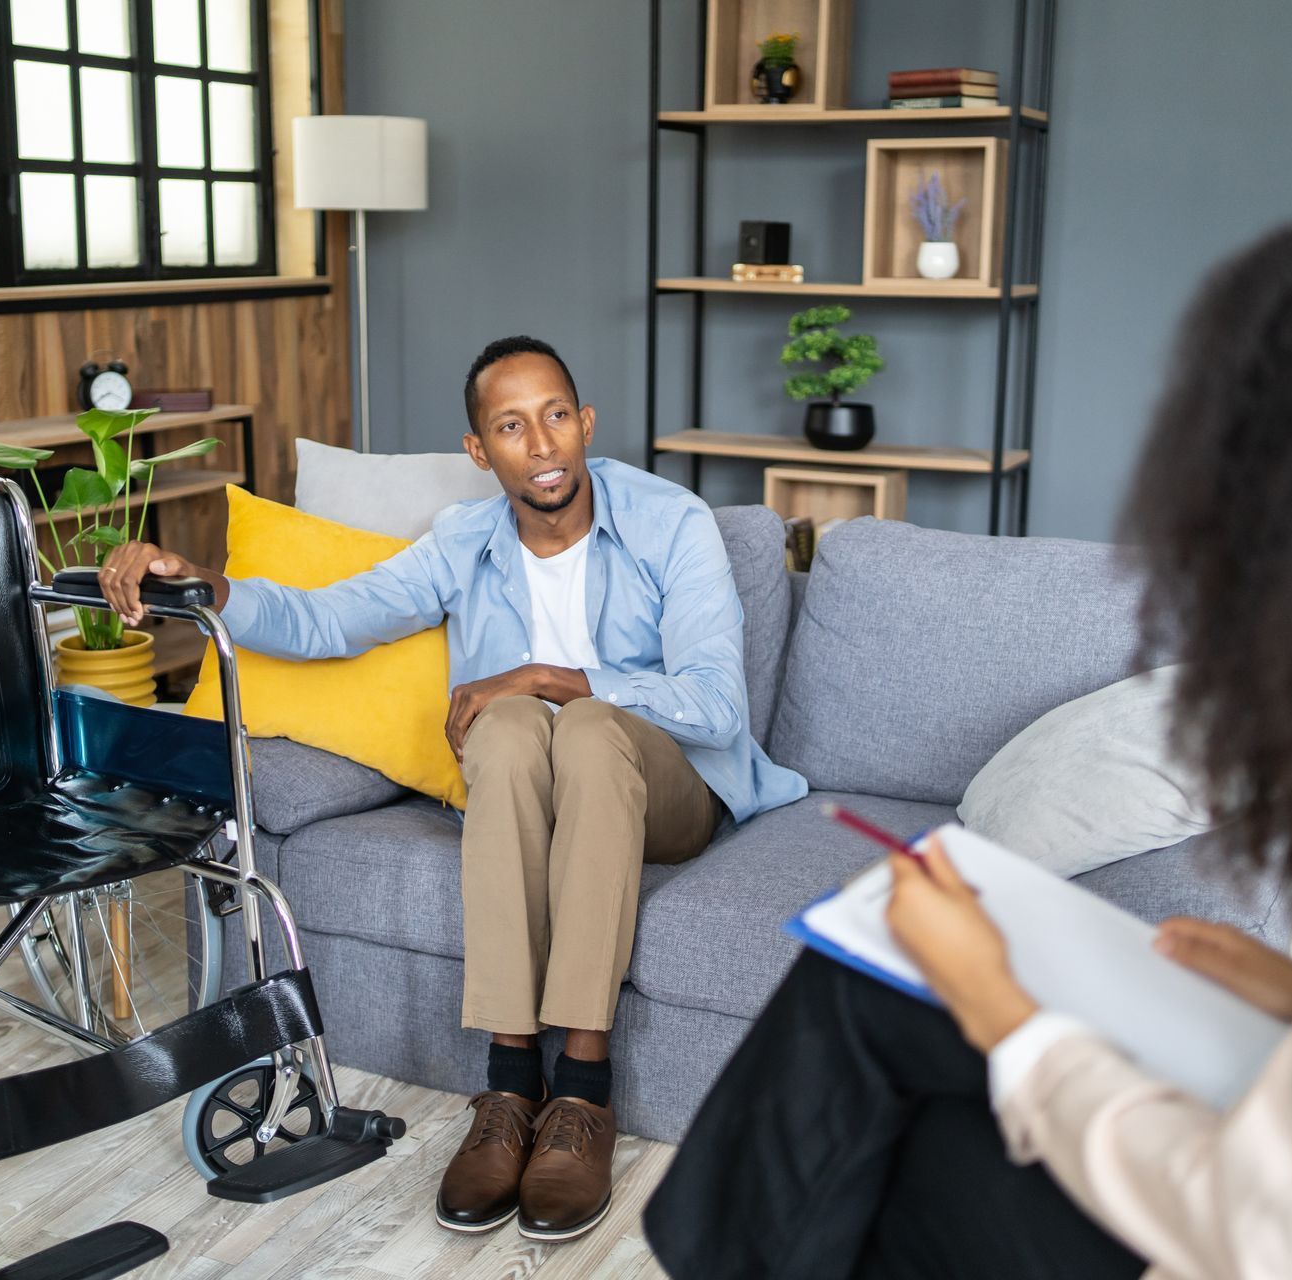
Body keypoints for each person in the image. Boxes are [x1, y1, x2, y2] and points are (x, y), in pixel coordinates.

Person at [643, 161, 1292, 1278]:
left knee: (893, 1073)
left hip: (1274, 1237)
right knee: (870, 983)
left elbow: (1269, 1231)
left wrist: (1001, 1000)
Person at [97, 335, 808, 1242]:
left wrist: (550, 677)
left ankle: (582, 1092)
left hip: (668, 784)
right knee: (503, 729)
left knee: (576, 724)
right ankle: (512, 1086)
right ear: (481, 452)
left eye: (556, 416)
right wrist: (211, 586)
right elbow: (332, 619)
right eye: (512, 426)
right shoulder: (464, 541)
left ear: (585, 423)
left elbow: (714, 703)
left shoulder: (670, 521)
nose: (542, 444)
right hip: (532, 783)